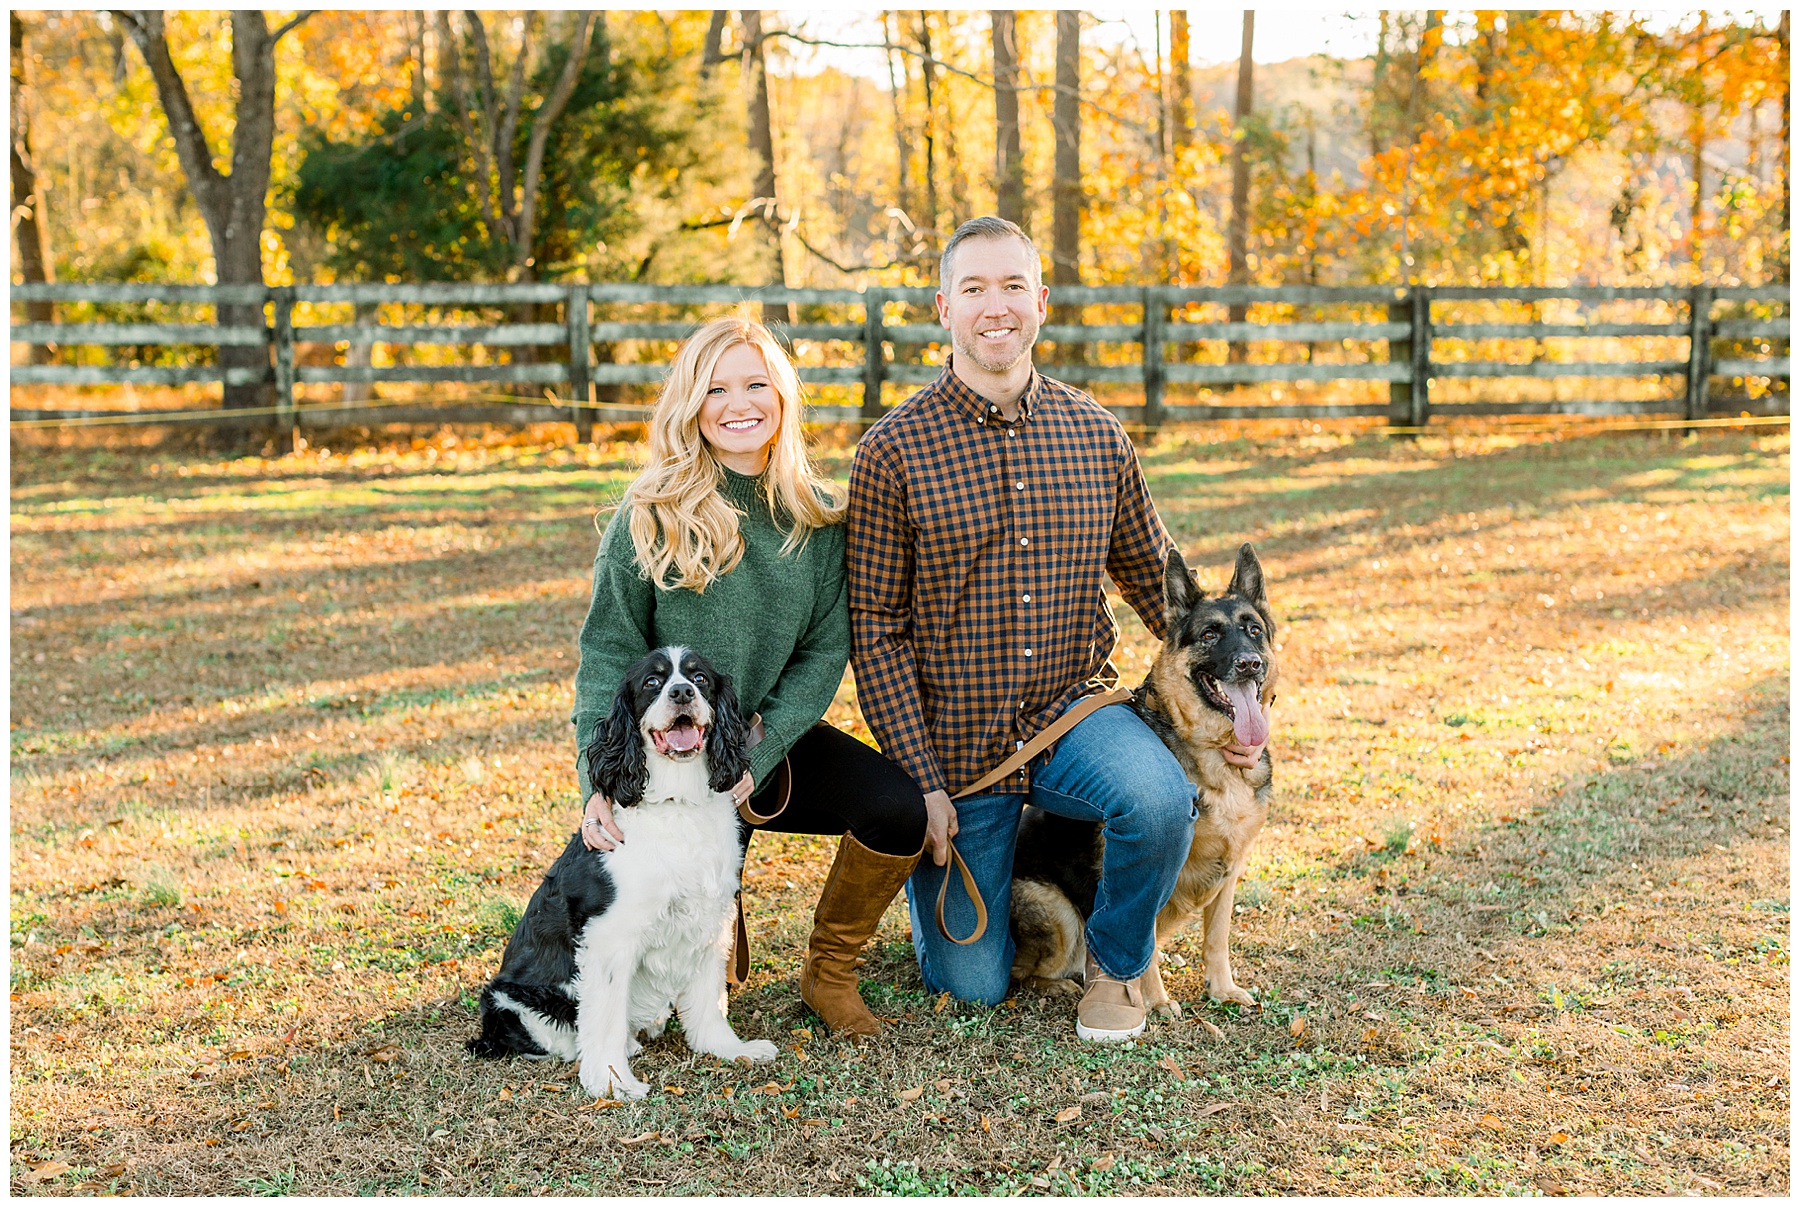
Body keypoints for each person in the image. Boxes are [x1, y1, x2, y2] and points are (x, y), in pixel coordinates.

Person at [846, 216, 1266, 1042]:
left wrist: (1228, 697)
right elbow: (878, 632)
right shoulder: (890, 452)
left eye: (1012, 286)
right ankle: (982, 914)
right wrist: (922, 781)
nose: (994, 307)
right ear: (943, 307)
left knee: (1159, 795)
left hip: (1077, 719)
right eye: (974, 289)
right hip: (962, 752)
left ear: (1041, 301)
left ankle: (1116, 967)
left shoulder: (1096, 435)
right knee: (970, 983)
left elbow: (1159, 583)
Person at [573, 315, 928, 1039]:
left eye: (756, 384)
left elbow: (825, 652)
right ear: (691, 405)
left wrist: (757, 755)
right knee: (662, 975)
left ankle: (828, 971)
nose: (739, 404)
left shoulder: (819, 518)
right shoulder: (649, 514)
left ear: (783, 398)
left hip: (765, 740)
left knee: (898, 808)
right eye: (717, 387)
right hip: (666, 758)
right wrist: (597, 780)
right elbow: (609, 651)